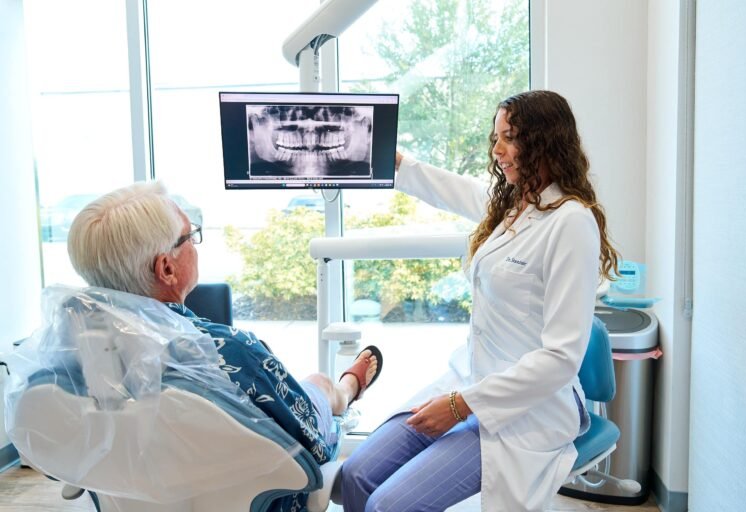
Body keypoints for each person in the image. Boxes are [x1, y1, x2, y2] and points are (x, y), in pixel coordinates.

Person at [341, 90, 620, 512]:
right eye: (496, 138)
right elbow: (454, 191)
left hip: (524, 412)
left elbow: (561, 358)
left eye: (509, 137)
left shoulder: (571, 223)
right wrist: (394, 162)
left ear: (545, 140)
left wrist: (460, 406)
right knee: (354, 476)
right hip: (468, 381)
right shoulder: (515, 205)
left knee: (388, 506)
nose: (498, 150)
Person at [66, 181, 383, 511]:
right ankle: (345, 391)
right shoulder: (230, 352)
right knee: (317, 385)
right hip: (258, 499)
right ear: (167, 268)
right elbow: (310, 445)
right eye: (190, 237)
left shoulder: (73, 356)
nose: (195, 245)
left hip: (138, 497)